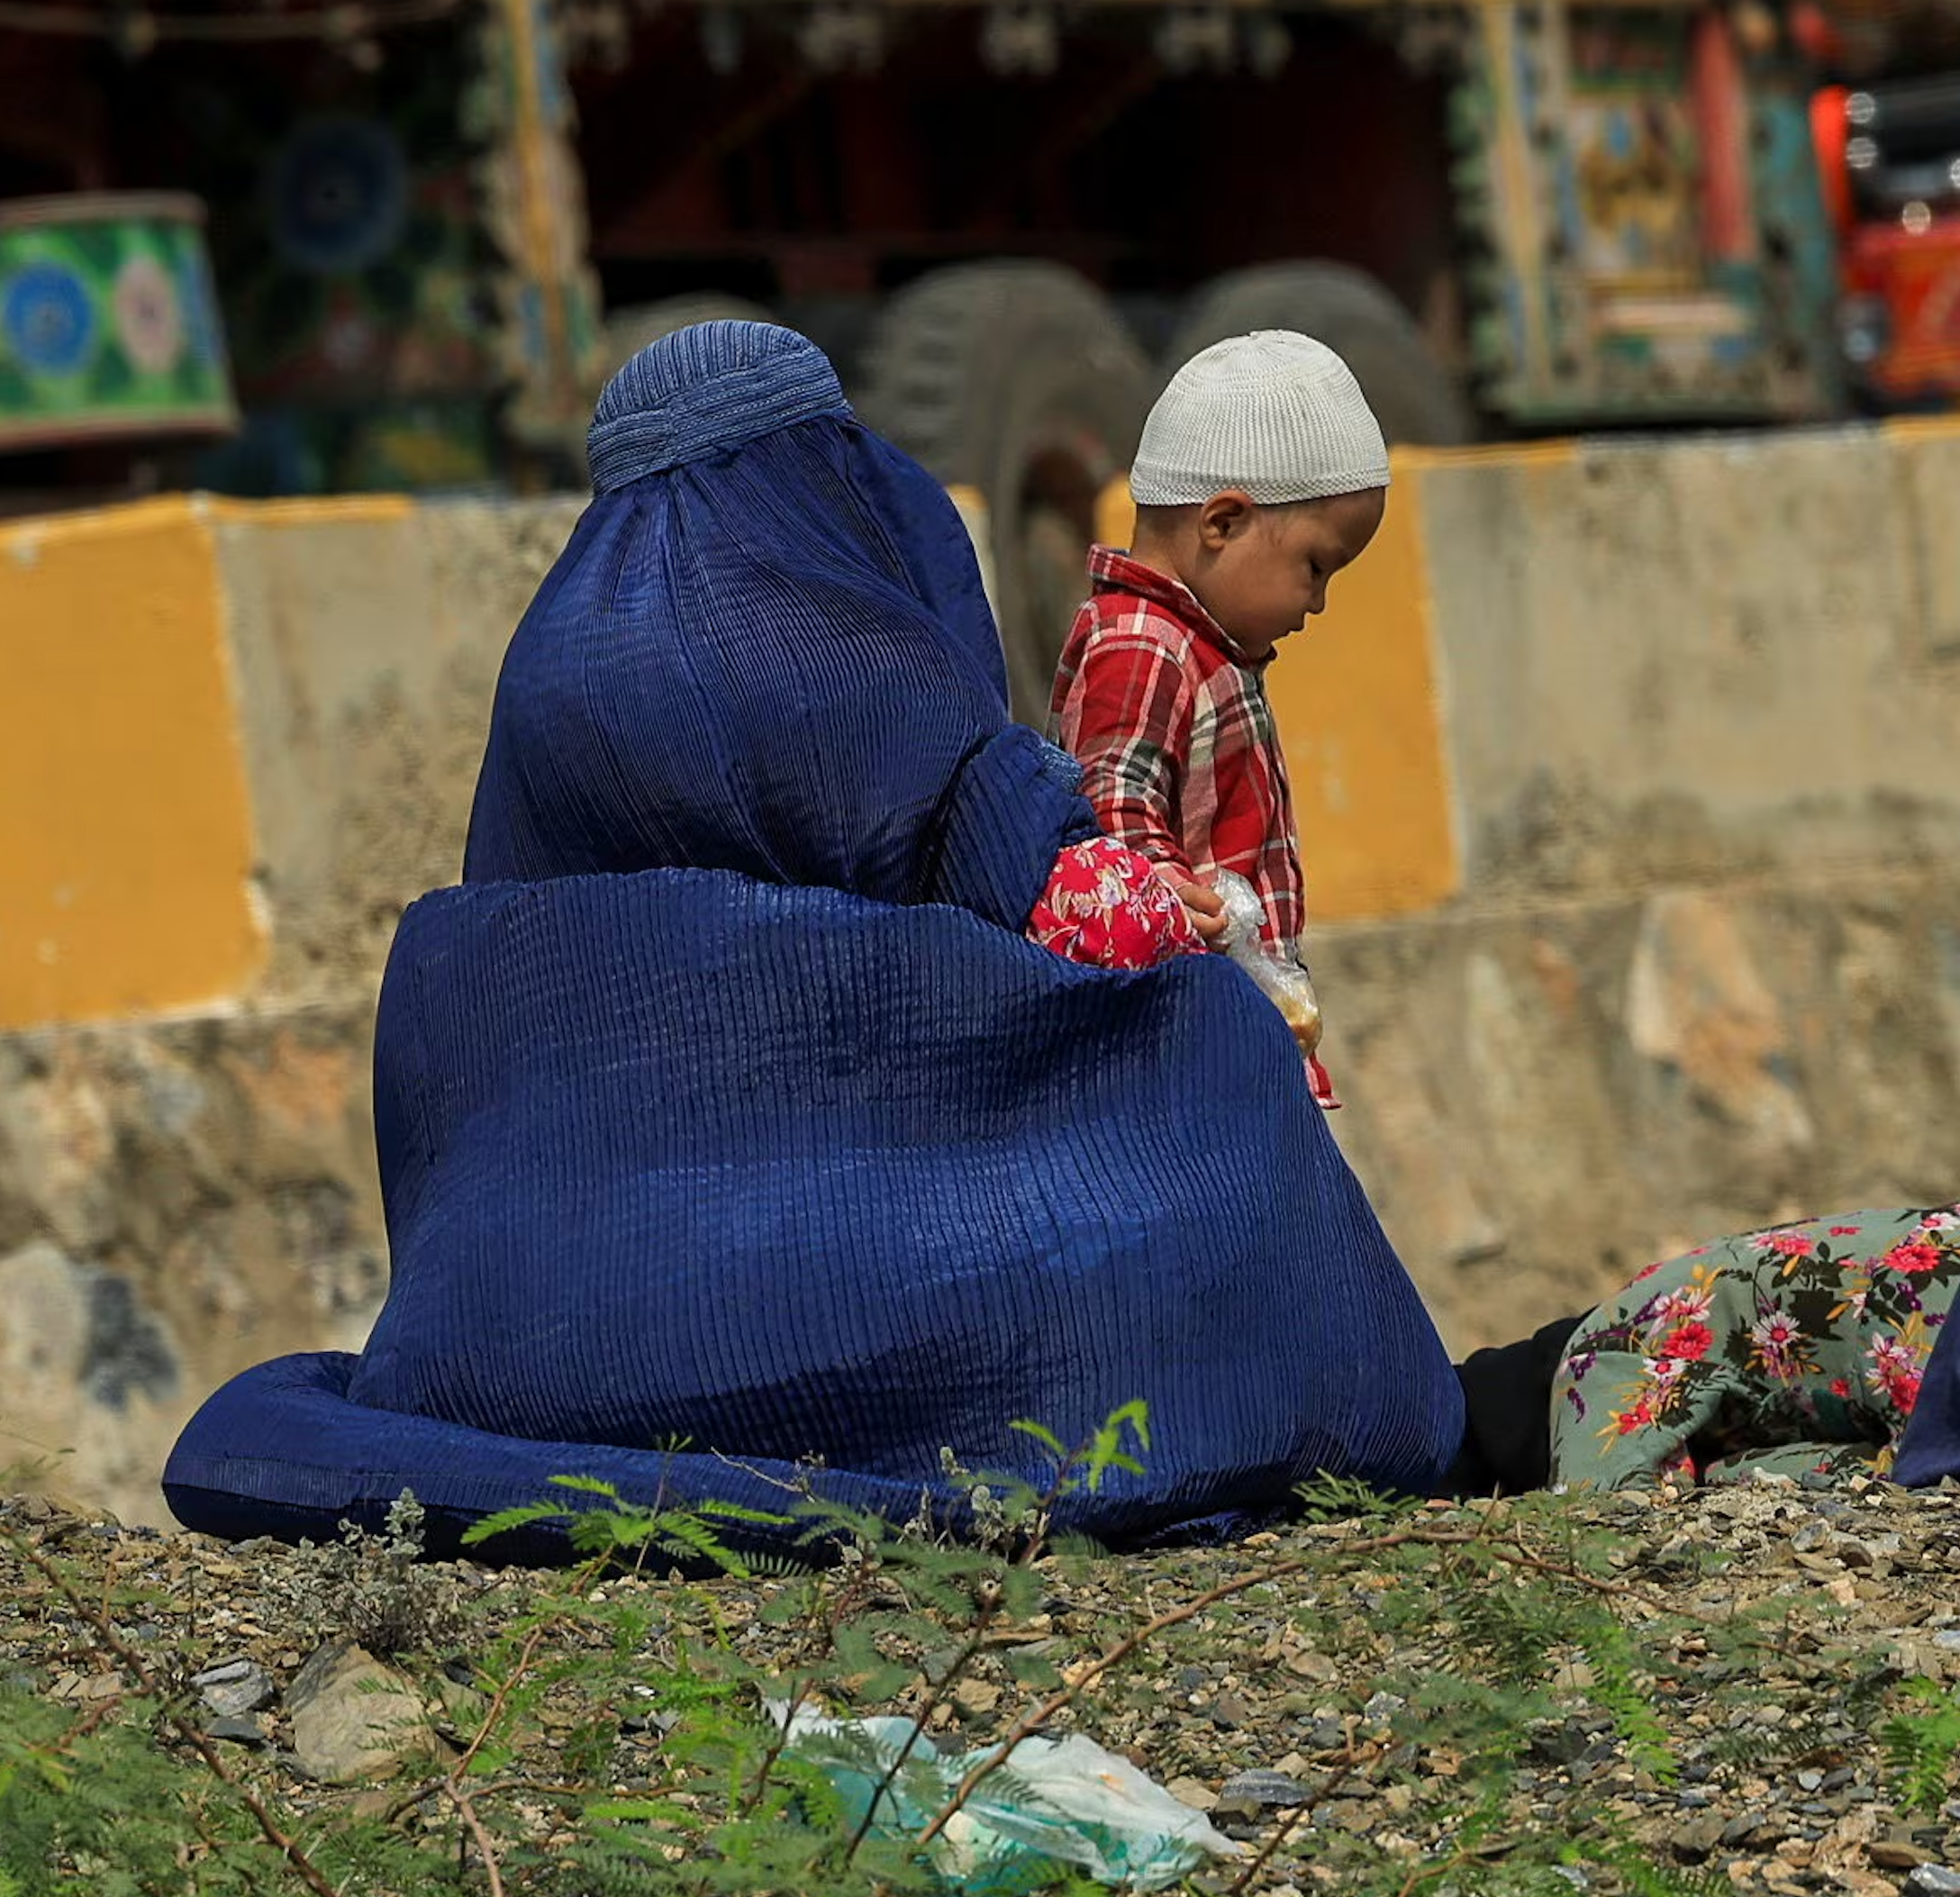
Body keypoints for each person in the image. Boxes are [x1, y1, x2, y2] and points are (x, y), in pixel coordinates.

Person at [162, 321, 1464, 1564]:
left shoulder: (554, 661)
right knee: (1208, 1050)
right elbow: (1033, 885)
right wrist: (1193, 935)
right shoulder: (820, 640)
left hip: (520, 1319)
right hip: (818, 1259)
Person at [1049, 331, 1389, 1109]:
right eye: (1315, 567)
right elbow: (1111, 807)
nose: (1319, 603)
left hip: (1224, 1023)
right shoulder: (1143, 644)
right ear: (1222, 523)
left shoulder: (1202, 648)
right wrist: (1166, 890)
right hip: (1176, 1032)